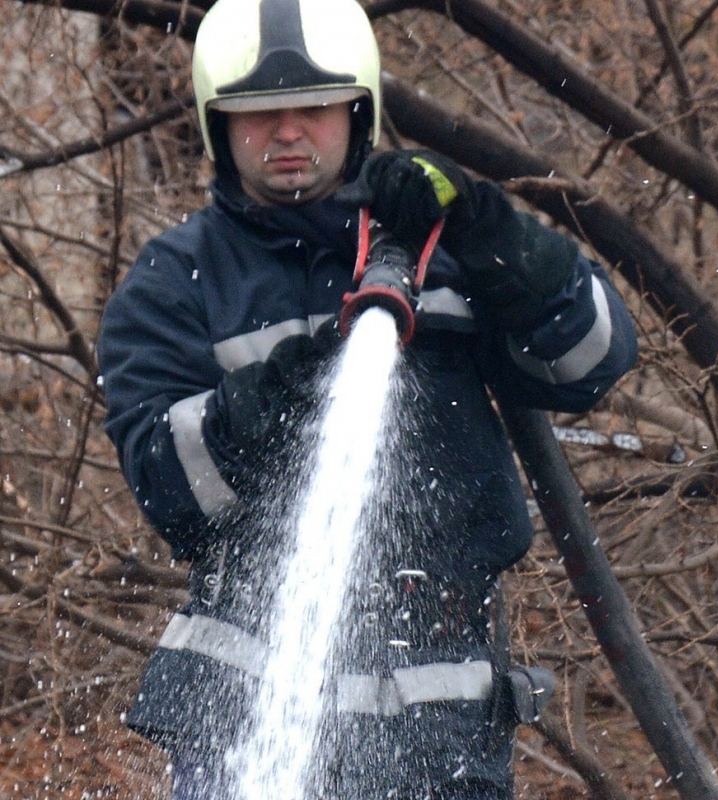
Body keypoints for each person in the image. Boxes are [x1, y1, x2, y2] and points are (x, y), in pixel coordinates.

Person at [97, 0, 639, 797]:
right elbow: (171, 486)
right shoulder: (176, 280)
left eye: (312, 109)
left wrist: (497, 238)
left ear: (358, 112)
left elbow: (591, 360)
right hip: (246, 687)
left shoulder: (446, 255)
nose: (287, 133)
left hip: (440, 698)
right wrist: (291, 391)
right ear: (220, 128)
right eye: (259, 116)